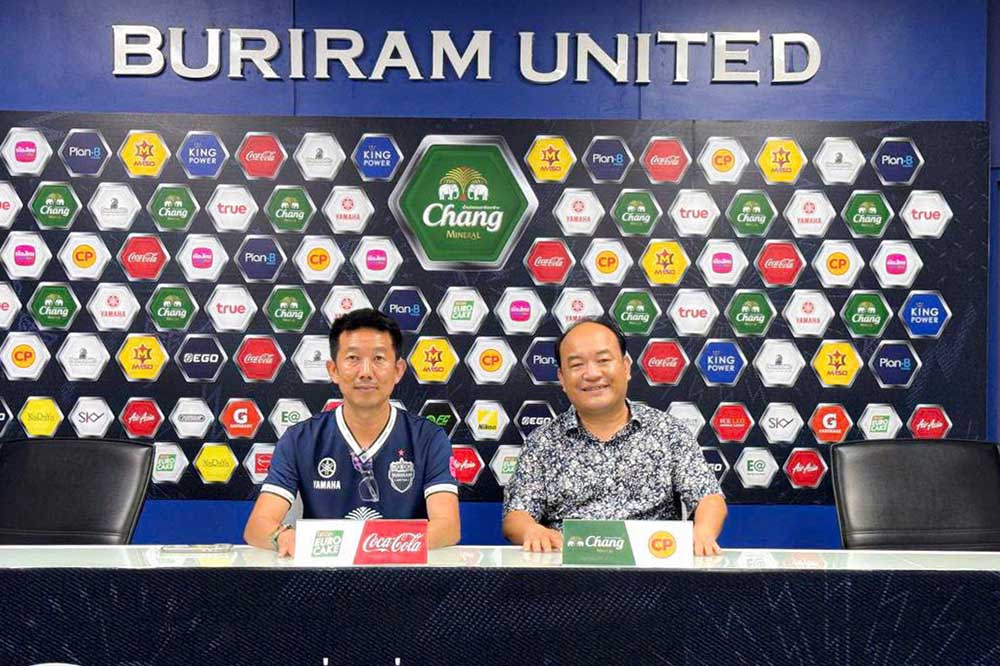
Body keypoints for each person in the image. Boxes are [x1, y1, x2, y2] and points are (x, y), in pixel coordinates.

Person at [244, 308, 460, 556]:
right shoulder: (299, 439)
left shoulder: (428, 438)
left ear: (398, 370)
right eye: (353, 358)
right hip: (323, 582)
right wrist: (282, 536)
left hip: (405, 581)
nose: (366, 372)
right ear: (333, 370)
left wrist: (365, 546)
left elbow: (448, 528)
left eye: (379, 358)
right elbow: (257, 526)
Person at [502, 318, 727, 555]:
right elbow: (516, 515)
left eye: (603, 360)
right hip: (568, 575)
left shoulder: (668, 431)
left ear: (626, 367)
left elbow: (709, 498)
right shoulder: (542, 443)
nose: (591, 373)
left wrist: (703, 532)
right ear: (562, 378)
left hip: (654, 572)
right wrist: (531, 530)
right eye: (577, 364)